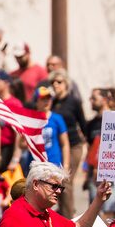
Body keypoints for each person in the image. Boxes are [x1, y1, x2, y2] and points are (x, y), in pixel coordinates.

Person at [49, 69, 86, 217]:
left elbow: (82, 124)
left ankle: (68, 217)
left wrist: (90, 144)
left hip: (73, 145)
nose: (55, 85)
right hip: (56, 146)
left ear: (66, 84)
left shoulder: (73, 101)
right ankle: (61, 212)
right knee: (55, 181)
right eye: (53, 82)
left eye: (59, 82)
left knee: (66, 180)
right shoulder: (51, 102)